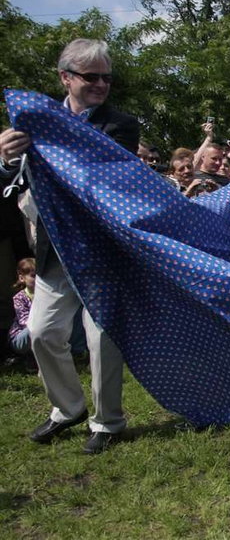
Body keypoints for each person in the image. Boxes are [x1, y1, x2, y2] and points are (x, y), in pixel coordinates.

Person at [0, 38, 139, 454]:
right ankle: (67, 408)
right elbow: (10, 181)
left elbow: (101, 173)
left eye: (107, 78)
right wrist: (7, 158)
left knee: (101, 339)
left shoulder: (121, 124)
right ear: (65, 77)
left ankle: (107, 422)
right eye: (91, 76)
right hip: (53, 251)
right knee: (41, 332)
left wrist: (42, 138)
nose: (101, 84)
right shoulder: (30, 123)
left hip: (100, 250)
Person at [7, 258, 35, 367]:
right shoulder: (19, 298)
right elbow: (24, 321)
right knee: (35, 329)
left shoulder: (45, 296)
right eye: (33, 276)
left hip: (42, 332)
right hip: (20, 337)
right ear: (22, 278)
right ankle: (28, 355)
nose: (37, 280)